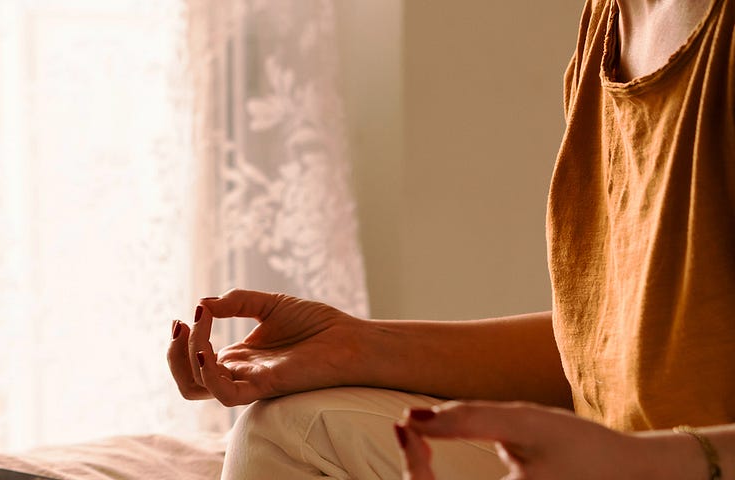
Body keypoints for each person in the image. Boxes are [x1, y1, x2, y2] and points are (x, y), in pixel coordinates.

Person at [167, 0, 735, 478]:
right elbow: (623, 360)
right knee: (289, 431)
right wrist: (356, 348)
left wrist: (656, 459)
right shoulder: (610, 23)